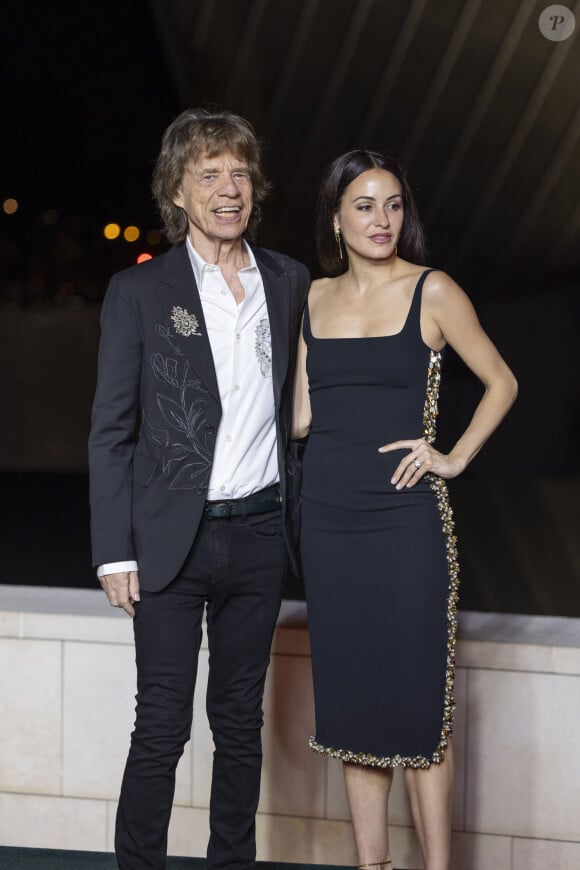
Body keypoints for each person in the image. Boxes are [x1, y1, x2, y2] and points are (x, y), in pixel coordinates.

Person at [89, 108, 309, 870]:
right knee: (161, 727)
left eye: (239, 173)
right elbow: (111, 431)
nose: (227, 189)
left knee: (240, 725)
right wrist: (114, 552)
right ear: (177, 192)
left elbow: (303, 410)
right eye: (208, 174)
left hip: (257, 537)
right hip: (167, 545)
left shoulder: (288, 282)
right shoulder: (139, 292)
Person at [292, 149, 517, 870]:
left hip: (405, 526)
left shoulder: (434, 291)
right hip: (327, 526)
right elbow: (297, 418)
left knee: (421, 714)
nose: (382, 219)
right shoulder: (311, 299)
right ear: (336, 216)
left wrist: (451, 456)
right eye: (364, 204)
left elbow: (502, 382)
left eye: (393, 204)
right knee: (356, 714)